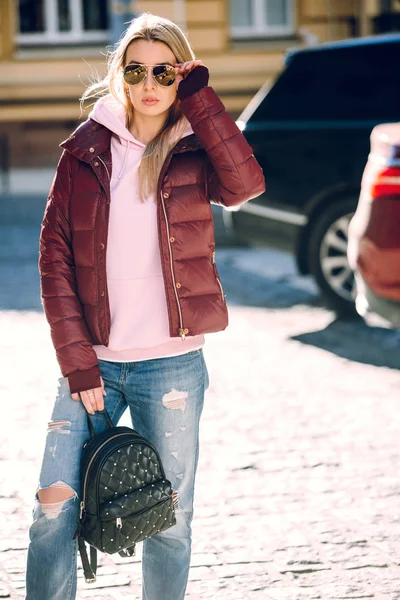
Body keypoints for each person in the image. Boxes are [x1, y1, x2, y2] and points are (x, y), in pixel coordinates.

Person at [25, 12, 265, 600]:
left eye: (163, 70)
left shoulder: (191, 148)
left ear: (179, 76)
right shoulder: (84, 150)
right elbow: (53, 259)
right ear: (121, 75)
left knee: (170, 520)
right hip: (94, 365)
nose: (149, 83)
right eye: (136, 69)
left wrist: (202, 100)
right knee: (53, 507)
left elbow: (246, 184)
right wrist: (79, 364)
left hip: (172, 368)